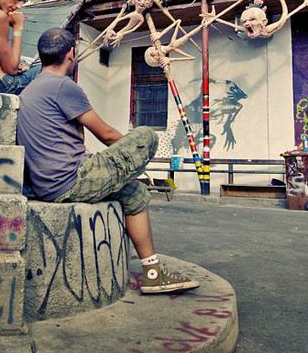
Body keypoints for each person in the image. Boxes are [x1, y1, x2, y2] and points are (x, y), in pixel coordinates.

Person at [17, 28, 199, 294]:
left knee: (134, 193)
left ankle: (152, 273)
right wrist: (131, 156)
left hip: (47, 184)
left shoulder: (30, 89)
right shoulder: (63, 86)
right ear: (71, 54)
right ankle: (130, 171)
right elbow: (107, 135)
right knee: (145, 135)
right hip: (71, 180)